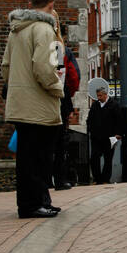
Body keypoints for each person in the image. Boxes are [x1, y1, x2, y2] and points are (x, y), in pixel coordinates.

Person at [1, 0, 65, 218]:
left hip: (19, 104)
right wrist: (57, 88)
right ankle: (35, 204)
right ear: (51, 5)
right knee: (40, 157)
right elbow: (44, 67)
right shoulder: (44, 30)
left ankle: (30, 203)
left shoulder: (16, 30)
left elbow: (5, 67)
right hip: (39, 105)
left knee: (25, 158)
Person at [53, 28, 80, 190]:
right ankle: (60, 179)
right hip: (59, 98)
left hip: (40, 100)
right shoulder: (59, 49)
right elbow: (73, 77)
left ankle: (44, 179)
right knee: (59, 142)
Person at [87, 84, 121, 184]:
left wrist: (117, 133)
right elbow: (90, 119)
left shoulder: (114, 105)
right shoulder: (95, 105)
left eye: (100, 96)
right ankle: (97, 178)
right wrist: (90, 130)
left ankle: (105, 179)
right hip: (96, 137)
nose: (99, 98)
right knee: (94, 157)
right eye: (98, 96)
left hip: (109, 137)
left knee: (108, 158)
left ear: (105, 95)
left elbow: (118, 120)